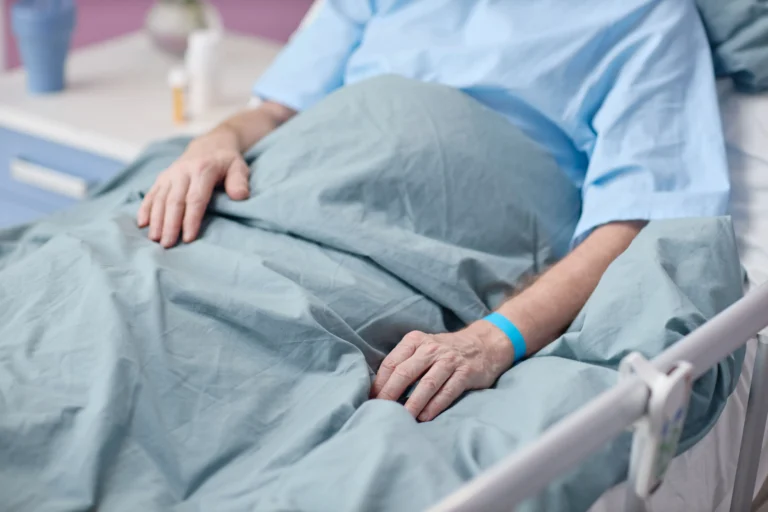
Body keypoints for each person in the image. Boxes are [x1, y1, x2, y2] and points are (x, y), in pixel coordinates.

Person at [137, 0, 729, 422]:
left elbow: (630, 222)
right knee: (113, 292)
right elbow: (272, 114)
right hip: (276, 196)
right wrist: (215, 140)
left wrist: (492, 340)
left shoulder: (648, 17)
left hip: (425, 246)